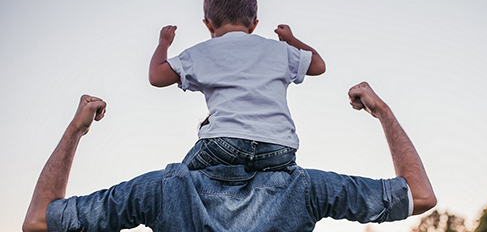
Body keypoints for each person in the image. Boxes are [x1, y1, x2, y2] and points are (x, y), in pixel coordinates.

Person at [22, 82, 437, 232]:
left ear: (206, 135)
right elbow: (419, 196)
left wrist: (76, 130)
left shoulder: (160, 190)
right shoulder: (306, 188)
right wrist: (382, 112)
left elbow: (40, 220)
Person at [148, 0, 326, 172]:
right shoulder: (279, 50)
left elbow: (156, 76)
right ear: (254, 24)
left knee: (179, 179)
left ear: (208, 25)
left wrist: (164, 43)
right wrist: (291, 40)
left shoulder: (201, 52)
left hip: (225, 144)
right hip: (280, 148)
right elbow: (318, 65)